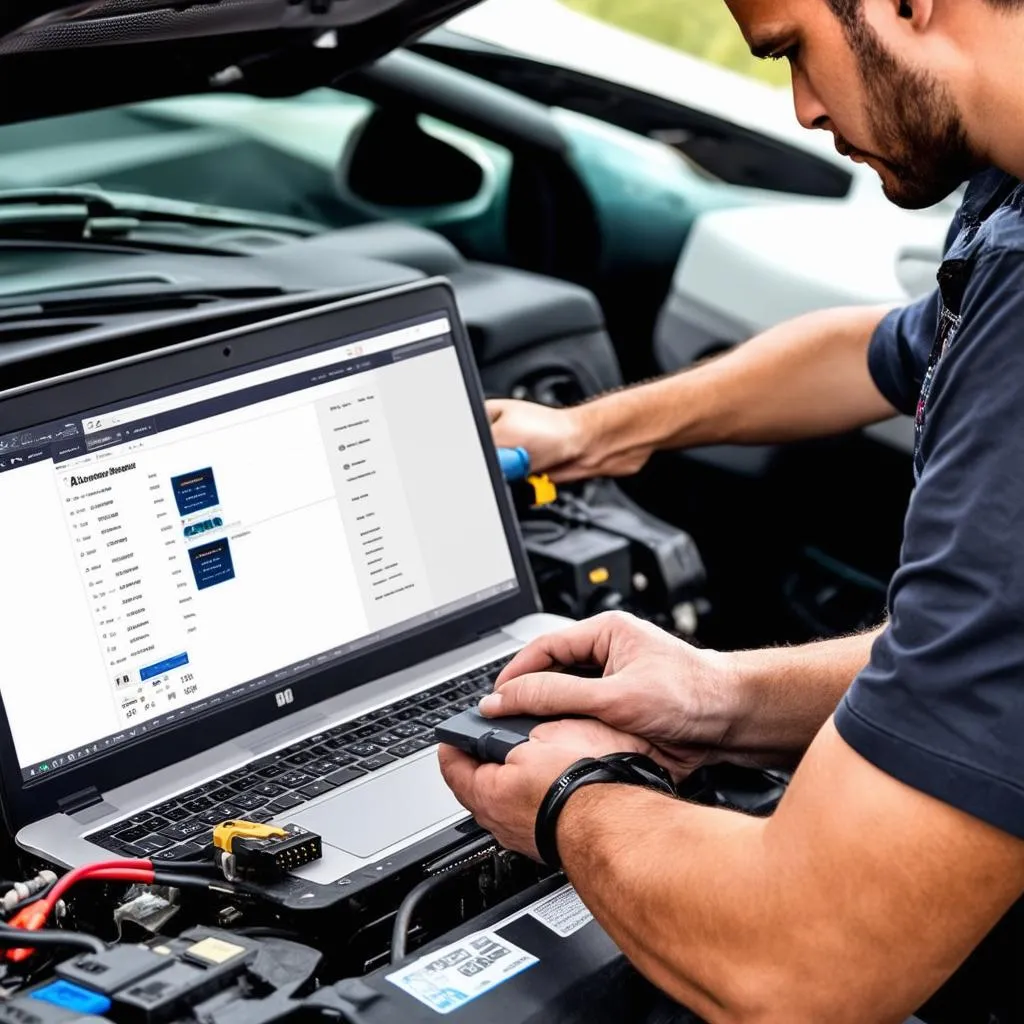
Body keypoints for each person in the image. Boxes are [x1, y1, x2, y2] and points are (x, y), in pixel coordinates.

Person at [437, 1, 1024, 1022]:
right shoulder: (1005, 202)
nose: (798, 106)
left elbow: (803, 968)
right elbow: (883, 349)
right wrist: (718, 697)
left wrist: (578, 798)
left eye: (794, 48)